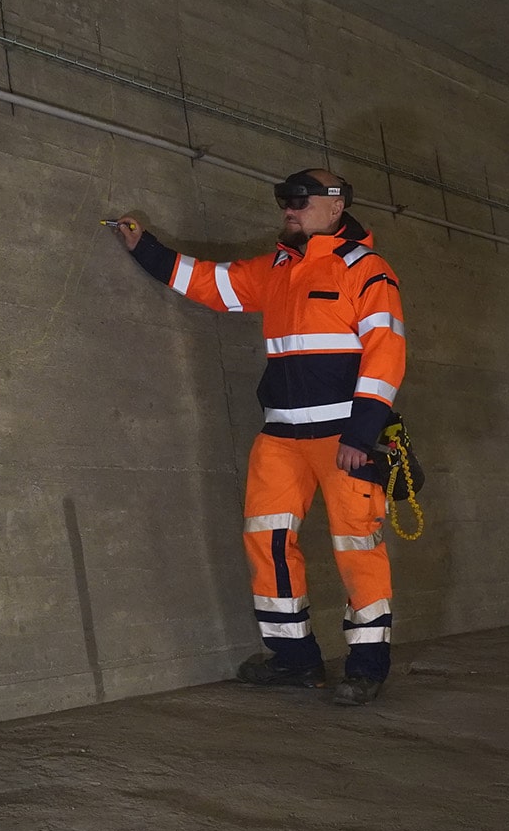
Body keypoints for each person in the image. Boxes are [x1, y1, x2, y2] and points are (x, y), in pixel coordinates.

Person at [112, 169, 406, 706]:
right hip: (280, 435)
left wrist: (363, 433)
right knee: (266, 542)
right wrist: (146, 249)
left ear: (336, 207)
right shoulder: (277, 267)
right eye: (283, 202)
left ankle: (367, 667)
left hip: (344, 436)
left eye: (300, 201)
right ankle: (296, 661)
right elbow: (213, 284)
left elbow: (386, 351)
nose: (289, 210)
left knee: (356, 547)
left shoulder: (366, 269)